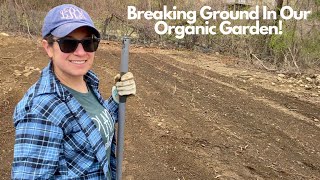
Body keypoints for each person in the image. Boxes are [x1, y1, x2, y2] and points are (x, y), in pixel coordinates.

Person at [11, 4, 136, 179]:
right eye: (68, 43)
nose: (80, 52)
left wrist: (115, 100)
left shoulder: (87, 82)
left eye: (88, 42)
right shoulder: (41, 110)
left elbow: (91, 126)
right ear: (48, 47)